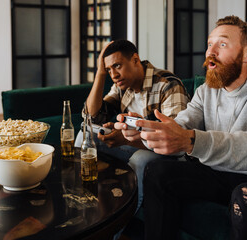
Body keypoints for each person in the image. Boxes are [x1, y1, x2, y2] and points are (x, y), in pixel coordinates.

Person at [117, 16, 247, 239]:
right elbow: (181, 126)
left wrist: (191, 140)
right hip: (225, 174)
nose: (211, 52)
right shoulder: (207, 91)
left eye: (222, 44)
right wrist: (145, 131)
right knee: (159, 171)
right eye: (209, 44)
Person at [75, 39, 190, 210]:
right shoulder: (122, 85)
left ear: (135, 60)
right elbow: (91, 117)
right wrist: (100, 73)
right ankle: (80, 199)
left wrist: (126, 139)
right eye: (109, 69)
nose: (113, 75)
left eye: (117, 66)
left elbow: (174, 143)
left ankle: (117, 224)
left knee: (140, 159)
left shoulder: (168, 85)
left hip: (170, 155)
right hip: (136, 144)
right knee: (85, 133)